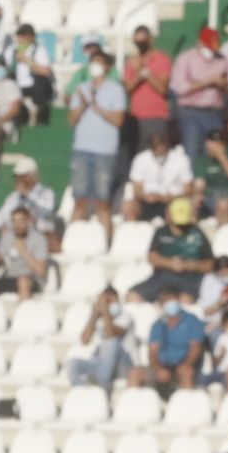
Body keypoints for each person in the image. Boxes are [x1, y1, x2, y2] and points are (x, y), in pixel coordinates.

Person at [67, 50, 127, 237]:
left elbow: (118, 120)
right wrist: (84, 105)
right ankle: (72, 240)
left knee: (103, 202)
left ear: (107, 67)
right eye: (93, 61)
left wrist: (95, 105)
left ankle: (106, 242)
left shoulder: (116, 90)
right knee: (80, 201)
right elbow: (72, 120)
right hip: (82, 149)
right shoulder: (81, 88)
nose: (95, 65)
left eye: (99, 62)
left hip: (104, 151)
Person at [129, 198, 212, 301]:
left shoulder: (197, 234)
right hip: (162, 277)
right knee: (133, 296)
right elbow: (152, 257)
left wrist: (189, 265)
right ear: (169, 215)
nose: (180, 227)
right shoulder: (161, 232)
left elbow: (210, 264)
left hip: (190, 278)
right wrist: (170, 264)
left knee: (185, 300)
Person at [170, 28, 228, 163]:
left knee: (215, 153)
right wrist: (209, 82)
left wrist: (224, 85)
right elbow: (179, 87)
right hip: (191, 113)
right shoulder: (185, 59)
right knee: (192, 152)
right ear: (200, 43)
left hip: (214, 113)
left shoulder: (222, 60)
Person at [130, 290, 207, 395]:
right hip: (162, 366)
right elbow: (152, 352)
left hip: (186, 364)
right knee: (135, 374)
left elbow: (196, 348)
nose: (169, 303)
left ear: (178, 300)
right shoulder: (158, 324)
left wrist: (185, 365)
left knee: (186, 373)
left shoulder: (192, 320)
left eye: (172, 300)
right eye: (165, 301)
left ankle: (188, 403)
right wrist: (158, 369)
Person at [67, 288, 133, 391]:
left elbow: (111, 335)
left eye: (109, 301)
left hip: (122, 365)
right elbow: (84, 340)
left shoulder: (125, 316)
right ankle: (83, 393)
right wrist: (94, 314)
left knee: (111, 343)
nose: (106, 304)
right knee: (73, 364)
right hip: (101, 363)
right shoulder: (99, 319)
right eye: (104, 302)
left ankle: (102, 389)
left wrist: (105, 311)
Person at [124, 134, 193, 222]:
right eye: (155, 146)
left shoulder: (181, 159)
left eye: (161, 146)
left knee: (182, 207)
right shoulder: (140, 159)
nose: (159, 149)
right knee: (129, 206)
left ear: (167, 145)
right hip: (147, 201)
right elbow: (137, 189)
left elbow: (188, 189)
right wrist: (146, 197)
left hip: (173, 201)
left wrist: (172, 197)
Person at [0, 207, 48, 298]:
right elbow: (0, 263)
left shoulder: (38, 239)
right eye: (14, 221)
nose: (17, 225)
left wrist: (22, 251)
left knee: (22, 281)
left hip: (30, 279)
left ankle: (24, 307)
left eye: (21, 221)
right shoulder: (7, 237)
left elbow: (41, 270)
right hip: (8, 278)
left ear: (28, 221)